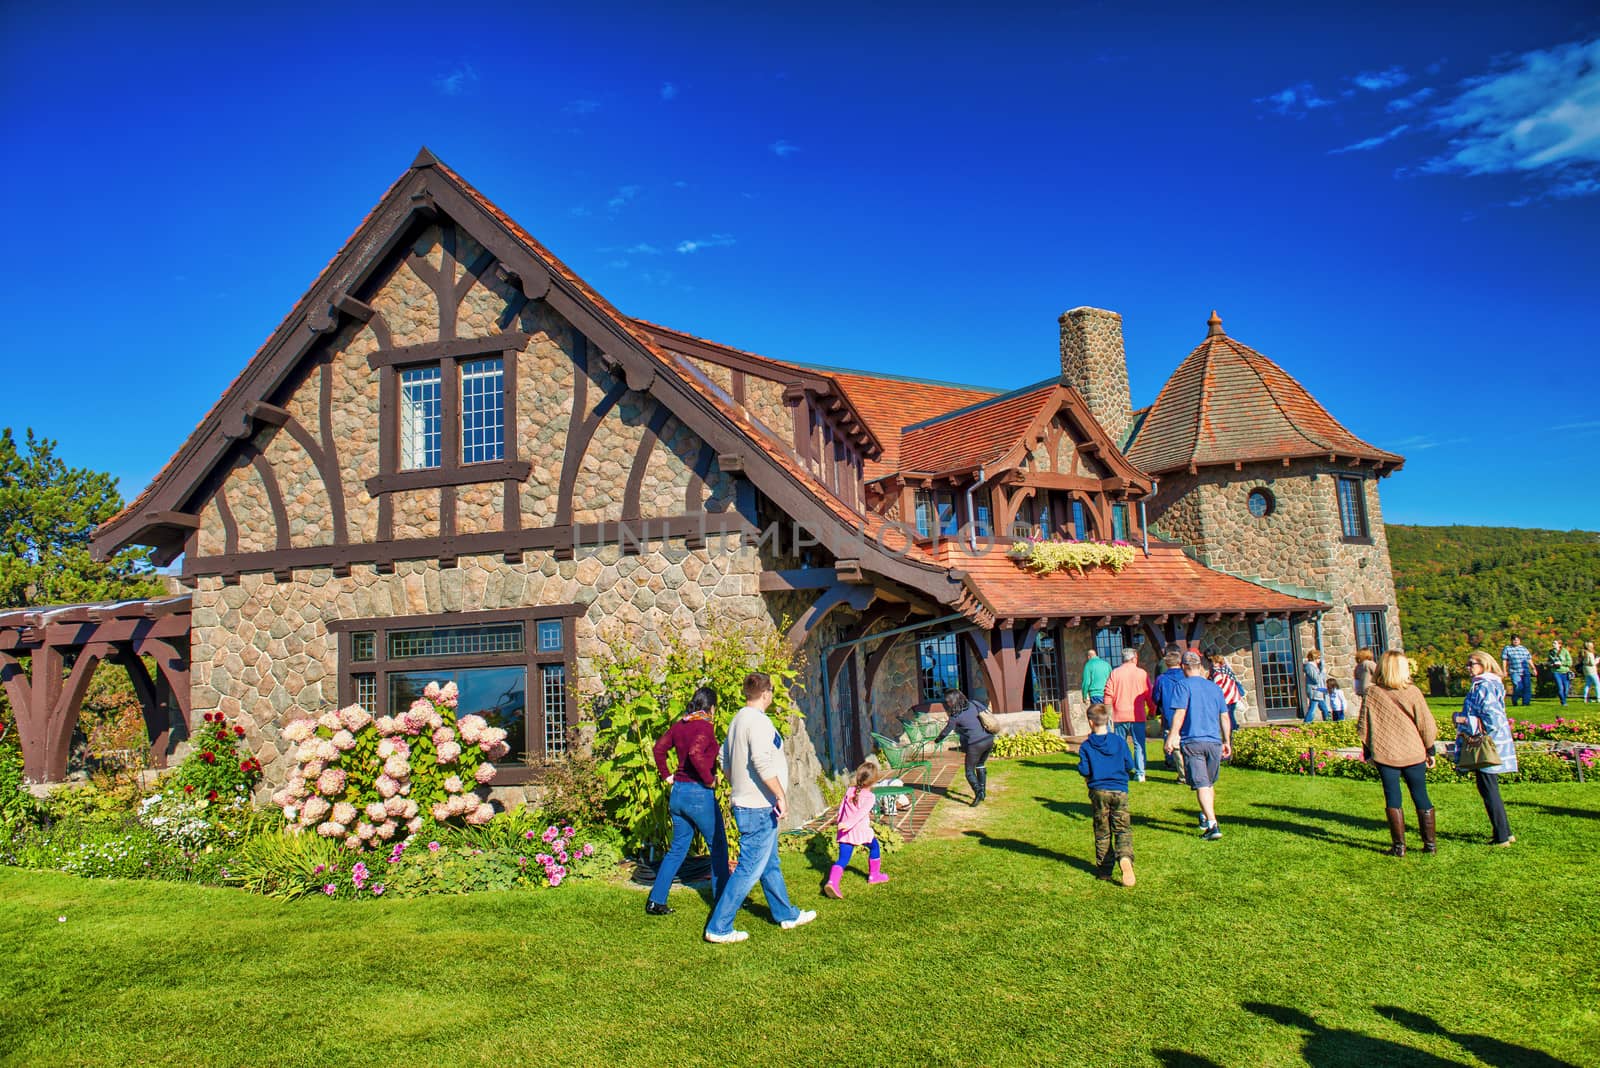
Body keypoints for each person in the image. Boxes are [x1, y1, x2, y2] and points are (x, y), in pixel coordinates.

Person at [703, 672, 816, 944]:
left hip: (746, 802)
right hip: (758, 806)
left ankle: (786, 914)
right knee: (749, 868)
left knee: (769, 863)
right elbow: (762, 763)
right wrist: (781, 796)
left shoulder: (737, 721)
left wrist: (738, 784)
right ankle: (719, 927)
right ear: (766, 693)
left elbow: (724, 760)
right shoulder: (759, 723)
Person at [645, 686, 729, 916]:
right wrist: (709, 779)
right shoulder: (704, 726)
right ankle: (724, 901)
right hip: (698, 794)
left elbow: (658, 749)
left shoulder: (680, 724)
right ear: (711, 707)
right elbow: (695, 753)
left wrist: (666, 775)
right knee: (718, 847)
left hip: (678, 794)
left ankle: (656, 900)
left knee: (677, 848)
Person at [1356, 652, 1438, 857]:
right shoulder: (1413, 692)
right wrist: (1430, 749)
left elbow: (1364, 725)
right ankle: (1430, 845)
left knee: (1393, 798)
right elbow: (1426, 725)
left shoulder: (1372, 693)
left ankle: (1399, 847)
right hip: (1414, 752)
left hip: (1386, 753)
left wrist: (1368, 752)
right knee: (1421, 796)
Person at [1163, 650, 1233, 840]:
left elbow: (1180, 713)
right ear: (1200, 666)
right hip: (1214, 741)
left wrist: (1172, 736)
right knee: (1208, 783)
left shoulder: (1182, 686)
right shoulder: (1214, 687)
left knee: (1202, 784)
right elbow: (1224, 716)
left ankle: (1213, 825)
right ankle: (1205, 815)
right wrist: (1226, 740)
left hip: (1193, 740)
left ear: (1184, 667)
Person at [1454, 651, 1518, 847]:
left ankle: (1501, 836)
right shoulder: (1491, 684)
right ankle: (1505, 831)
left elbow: (1493, 717)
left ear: (1483, 664)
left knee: (1488, 788)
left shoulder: (1484, 686)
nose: (1468, 667)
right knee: (1488, 787)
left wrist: (1464, 720)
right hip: (1491, 742)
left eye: (1471, 663)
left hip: (1486, 745)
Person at [1078, 702, 1136, 887]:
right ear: (1108, 719)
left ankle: (1104, 870)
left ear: (1090, 722)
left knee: (1102, 830)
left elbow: (1085, 769)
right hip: (1120, 790)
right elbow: (1130, 765)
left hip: (1098, 791)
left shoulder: (1086, 746)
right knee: (1122, 828)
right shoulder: (1119, 741)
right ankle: (1125, 857)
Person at [823, 759, 888, 898]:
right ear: (874, 781)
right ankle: (874, 876)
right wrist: (848, 824)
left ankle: (832, 882)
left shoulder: (850, 791)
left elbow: (841, 809)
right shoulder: (870, 797)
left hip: (846, 832)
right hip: (860, 832)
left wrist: (841, 822)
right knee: (875, 847)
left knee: (842, 859)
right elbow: (860, 814)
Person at [935, 688, 996, 805]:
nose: (946, 703)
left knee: (969, 771)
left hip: (976, 743)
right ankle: (982, 791)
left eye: (947, 701)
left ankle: (979, 792)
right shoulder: (974, 704)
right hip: (988, 739)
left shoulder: (955, 715)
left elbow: (946, 731)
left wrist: (937, 740)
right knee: (980, 764)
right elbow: (986, 713)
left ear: (952, 701)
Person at [1103, 648, 1154, 782]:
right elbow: (1149, 694)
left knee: (1120, 744)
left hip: (1119, 714)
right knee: (1139, 745)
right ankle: (1140, 772)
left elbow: (1108, 693)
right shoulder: (1142, 673)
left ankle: (1120, 770)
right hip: (1137, 715)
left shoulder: (1115, 673)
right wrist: (1152, 710)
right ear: (1134, 658)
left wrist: (1108, 712)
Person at [1151, 646, 1187, 775]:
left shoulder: (1161, 679)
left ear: (1166, 663)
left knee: (1170, 736)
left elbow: (1155, 697)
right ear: (1179, 662)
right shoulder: (1186, 677)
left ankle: (1171, 762)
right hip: (1186, 714)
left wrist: (1159, 706)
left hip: (1169, 713)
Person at [1208, 652, 1243, 731]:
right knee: (1231, 715)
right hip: (1233, 697)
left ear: (1217, 662)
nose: (1212, 664)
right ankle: (1234, 728)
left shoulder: (1218, 673)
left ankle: (1233, 729)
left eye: (1214, 662)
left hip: (1226, 698)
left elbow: (1217, 687)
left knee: (1228, 716)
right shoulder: (1227, 670)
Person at [1500, 635, 1535, 707]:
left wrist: (1533, 668)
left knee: (1527, 687)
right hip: (1514, 671)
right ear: (1511, 641)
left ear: (1520, 641)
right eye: (1514, 640)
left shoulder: (1523, 648)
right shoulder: (1507, 648)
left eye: (1517, 640)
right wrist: (1504, 670)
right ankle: (1515, 699)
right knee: (1518, 686)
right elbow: (1504, 660)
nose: (1516, 641)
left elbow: (1529, 659)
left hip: (1525, 670)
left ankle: (1526, 703)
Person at [1302, 649, 1329, 723]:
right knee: (1312, 709)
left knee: (1324, 708)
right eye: (1318, 657)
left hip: (1319, 690)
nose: (1319, 659)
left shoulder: (1314, 667)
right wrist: (1322, 673)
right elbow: (1316, 679)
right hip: (1315, 691)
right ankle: (1307, 723)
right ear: (1314, 658)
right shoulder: (1309, 667)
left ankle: (1328, 722)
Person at [1547, 639, 1573, 707]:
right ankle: (1563, 702)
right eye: (1553, 643)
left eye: (1555, 643)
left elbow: (1570, 662)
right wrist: (1551, 664)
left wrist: (1561, 663)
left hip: (1565, 671)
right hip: (1556, 672)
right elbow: (1549, 662)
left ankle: (1564, 699)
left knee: (1566, 689)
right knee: (1560, 688)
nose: (1553, 644)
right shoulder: (1551, 652)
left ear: (1559, 644)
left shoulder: (1565, 651)